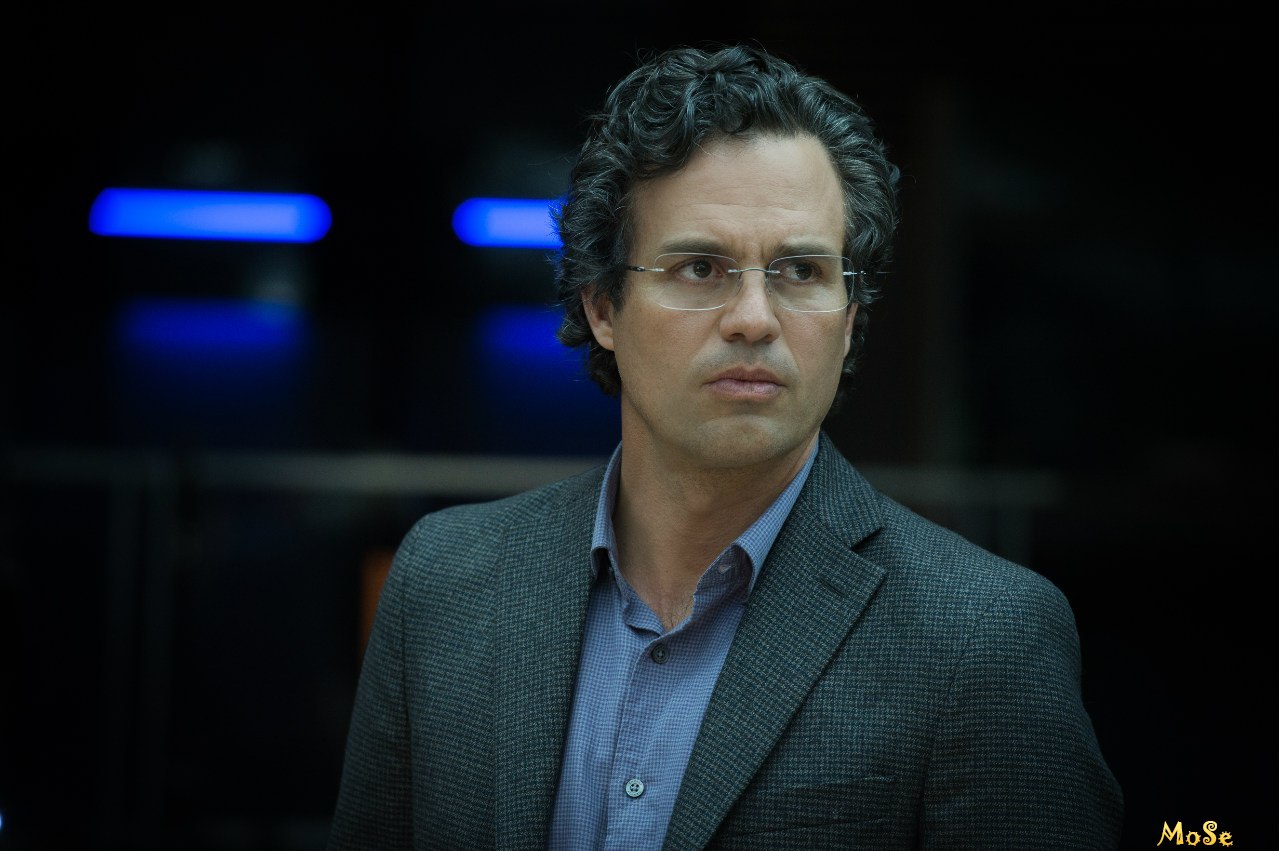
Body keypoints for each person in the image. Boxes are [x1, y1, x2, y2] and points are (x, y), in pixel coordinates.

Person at [328, 44, 1123, 849]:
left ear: (849, 318)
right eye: (700, 267)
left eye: (801, 271)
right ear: (602, 305)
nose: (753, 317)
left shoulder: (984, 635)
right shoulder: (444, 582)